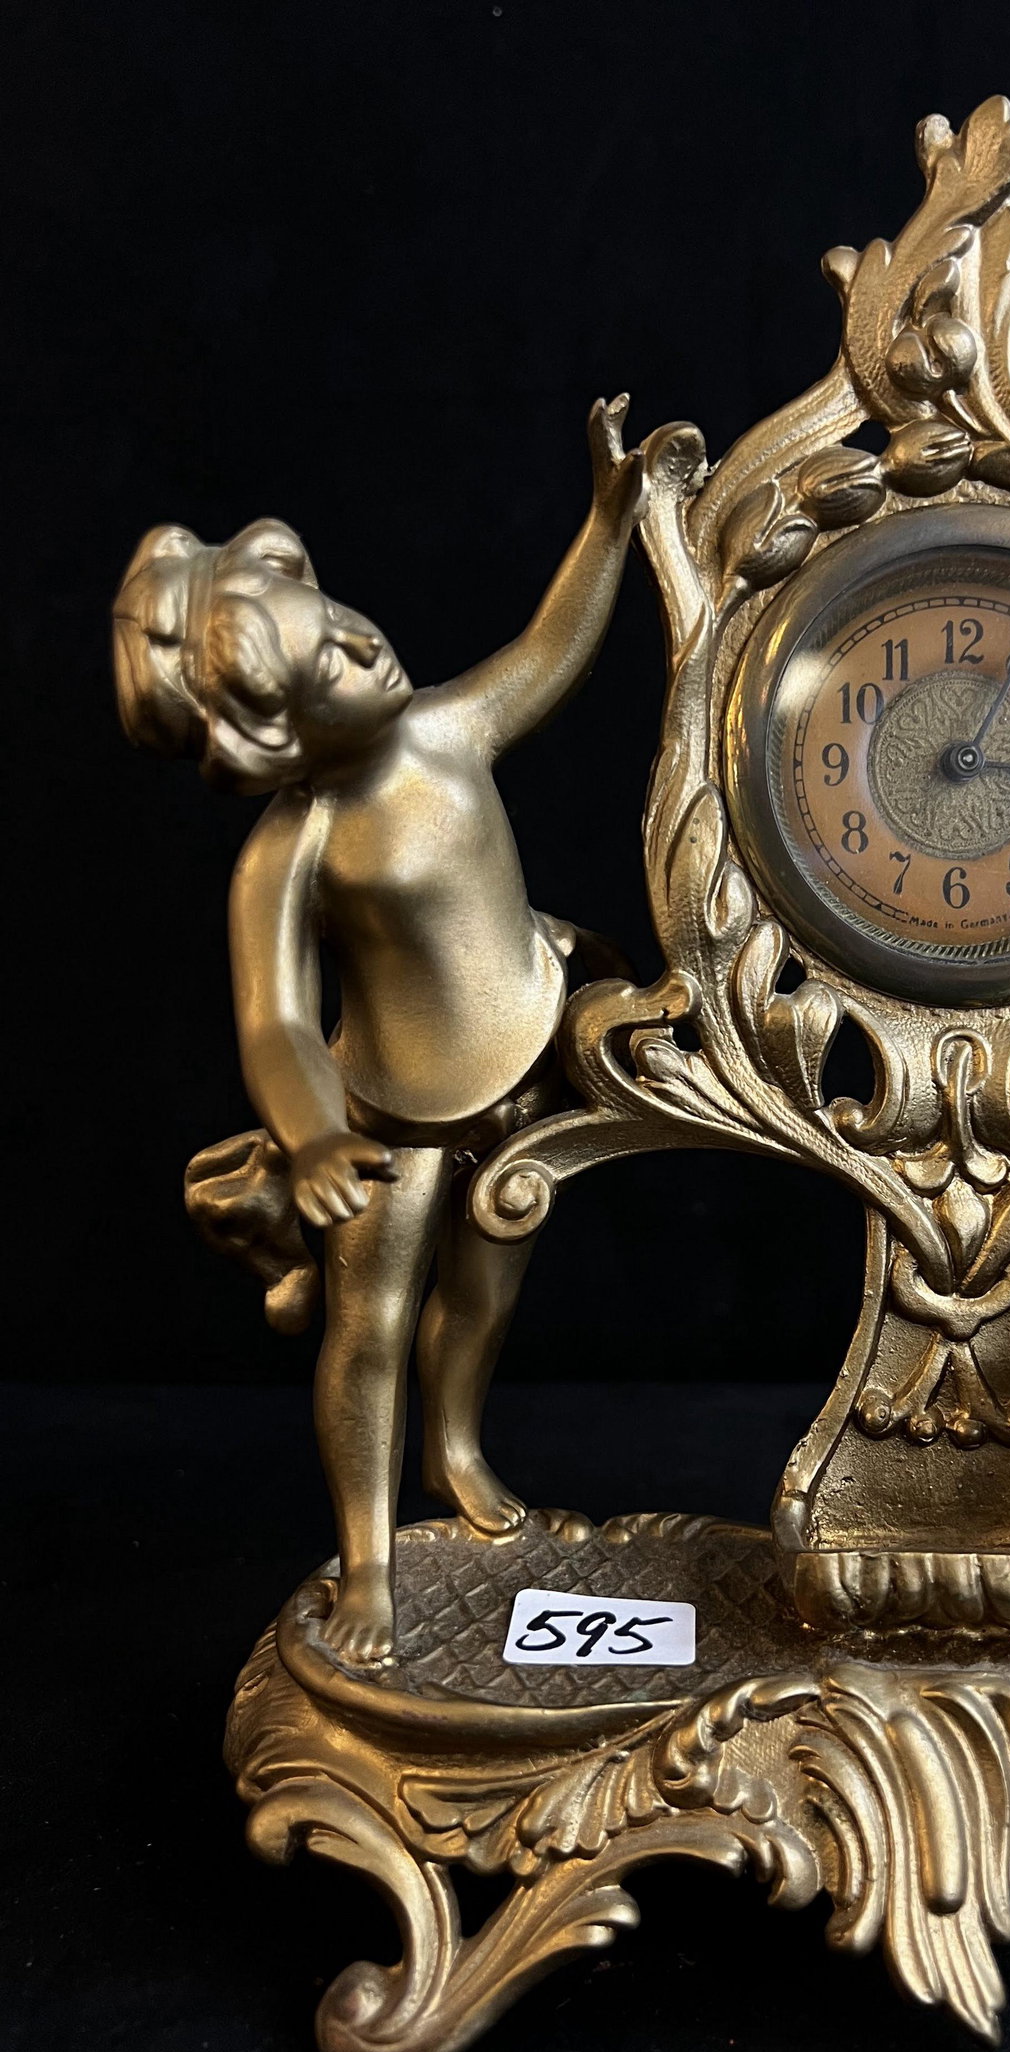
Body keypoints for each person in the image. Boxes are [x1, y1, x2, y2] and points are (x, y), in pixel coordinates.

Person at [115, 396, 651, 1663]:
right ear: (273, 739)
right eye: (333, 670)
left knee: (484, 1296)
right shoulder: (290, 849)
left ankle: (454, 1448)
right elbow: (274, 1022)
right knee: (369, 1336)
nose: (368, 649)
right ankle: (367, 1559)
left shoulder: (445, 730)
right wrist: (309, 1138)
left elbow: (548, 652)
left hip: (525, 1061)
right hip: (386, 1120)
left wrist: (607, 521)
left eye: (345, 624)